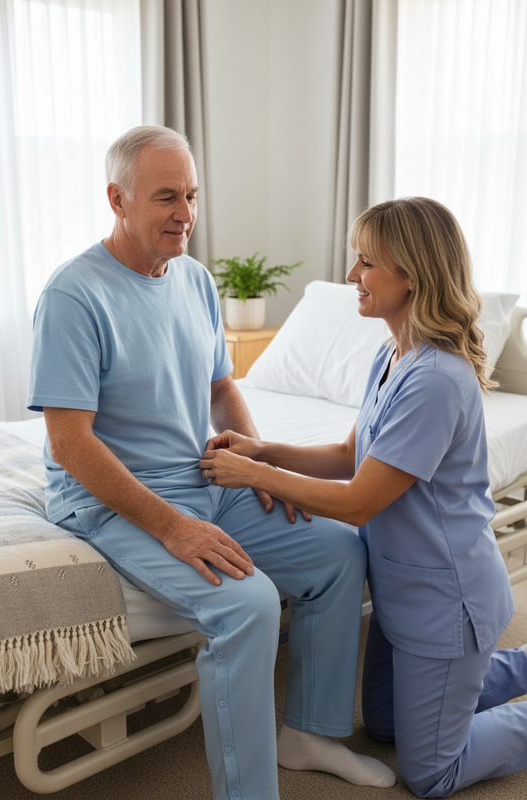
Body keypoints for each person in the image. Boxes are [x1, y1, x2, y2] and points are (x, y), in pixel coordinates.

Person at [27, 125, 396, 800]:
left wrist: (259, 464)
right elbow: (69, 444)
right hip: (112, 499)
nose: (186, 213)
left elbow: (222, 388)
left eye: (192, 195)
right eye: (166, 197)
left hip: (203, 477)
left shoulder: (194, 279)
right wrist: (172, 526)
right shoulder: (73, 295)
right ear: (117, 199)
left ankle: (309, 734)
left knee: (342, 553)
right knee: (249, 606)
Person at [200, 196, 527, 797]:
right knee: (382, 724)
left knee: (431, 773)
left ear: (413, 275)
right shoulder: (392, 354)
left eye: (367, 262)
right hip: (402, 594)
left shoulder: (435, 380)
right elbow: (350, 453)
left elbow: (357, 502)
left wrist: (252, 476)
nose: (352, 273)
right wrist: (262, 451)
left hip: (445, 601)